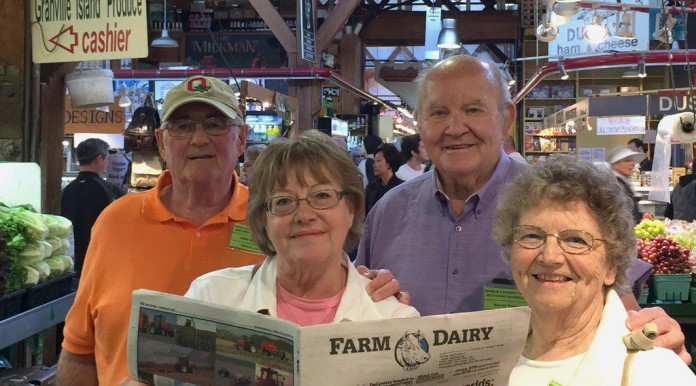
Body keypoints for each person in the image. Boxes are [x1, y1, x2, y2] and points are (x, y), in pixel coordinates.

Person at [355, 55, 690, 363]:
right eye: (438, 112)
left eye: (474, 110)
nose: (455, 128)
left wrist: (655, 336)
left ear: (506, 119)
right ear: (419, 122)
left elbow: (625, 316)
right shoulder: (389, 212)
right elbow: (356, 306)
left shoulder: (565, 203)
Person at [120, 131, 418, 386]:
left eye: (322, 196)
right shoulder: (209, 298)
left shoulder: (396, 322)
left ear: (351, 208)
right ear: (263, 220)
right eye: (284, 202)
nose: (304, 215)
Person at [57, 76, 264, 385]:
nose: (199, 139)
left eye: (215, 124)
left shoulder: (270, 221)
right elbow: (78, 352)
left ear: (242, 139)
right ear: (161, 141)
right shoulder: (116, 222)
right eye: (182, 126)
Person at [492, 157, 695, 385]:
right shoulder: (488, 359)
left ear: (611, 266)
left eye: (576, 240)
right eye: (532, 235)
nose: (549, 256)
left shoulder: (655, 373)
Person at [61, 138, 124, 276]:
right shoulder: (110, 190)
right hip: (101, 262)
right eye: (106, 158)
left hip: (71, 262)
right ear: (99, 159)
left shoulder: (67, 190)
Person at [607, 145, 645, 224]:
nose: (632, 163)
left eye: (632, 160)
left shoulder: (622, 182)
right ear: (615, 165)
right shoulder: (616, 186)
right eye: (627, 161)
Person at [365, 143, 404, 215]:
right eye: (374, 161)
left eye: (378, 161)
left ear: (389, 163)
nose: (374, 165)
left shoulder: (402, 188)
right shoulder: (371, 187)